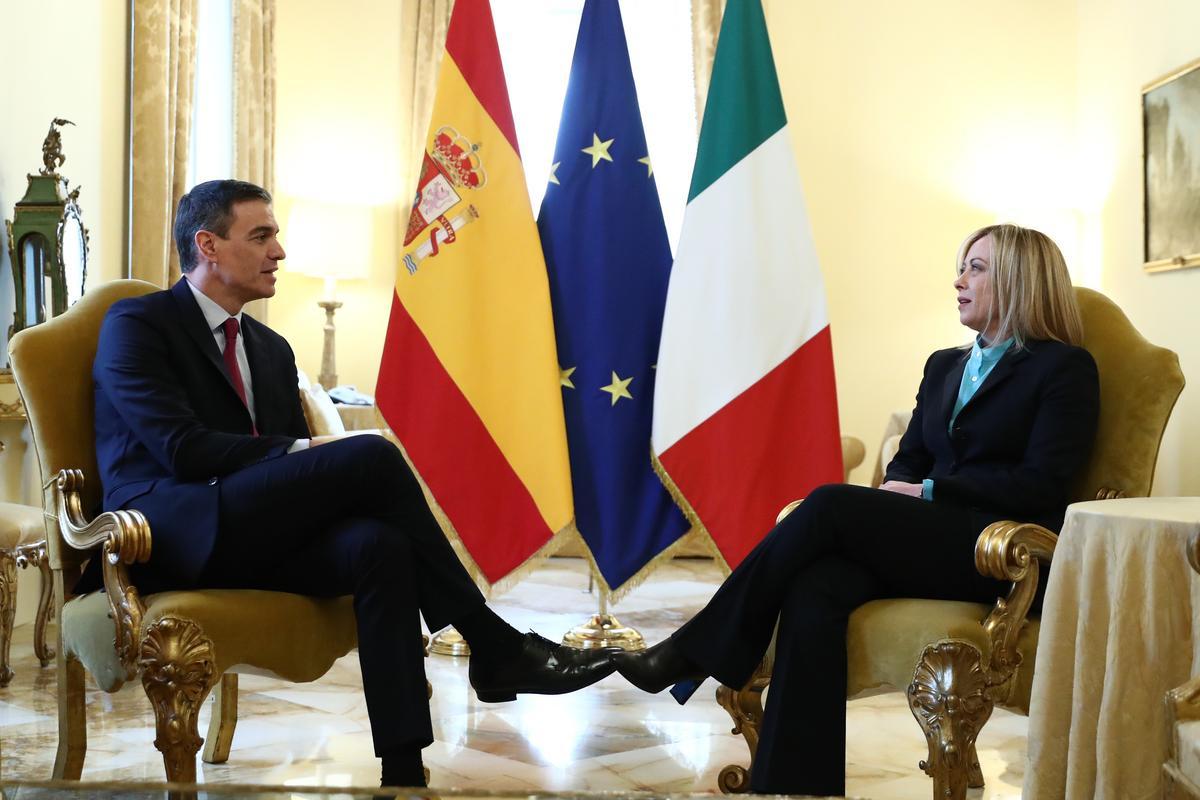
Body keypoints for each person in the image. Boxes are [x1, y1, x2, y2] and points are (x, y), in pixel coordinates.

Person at [91, 179, 617, 788]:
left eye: (276, 236)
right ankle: (493, 644)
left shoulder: (269, 347)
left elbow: (290, 483)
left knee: (380, 546)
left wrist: (305, 461)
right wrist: (308, 448)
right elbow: (179, 450)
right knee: (370, 455)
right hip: (170, 531)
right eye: (261, 236)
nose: (279, 253)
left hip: (252, 531)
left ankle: (402, 771)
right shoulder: (137, 323)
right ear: (207, 245)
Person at [614, 224, 1100, 796]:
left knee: (828, 504)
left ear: (1020, 279)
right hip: (930, 542)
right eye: (962, 266)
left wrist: (928, 495)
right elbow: (907, 460)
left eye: (976, 268)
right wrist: (903, 494)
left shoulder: (1064, 368)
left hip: (998, 552)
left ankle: (695, 648)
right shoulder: (944, 365)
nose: (958, 280)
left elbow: (1041, 484)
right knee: (817, 586)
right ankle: (794, 784)